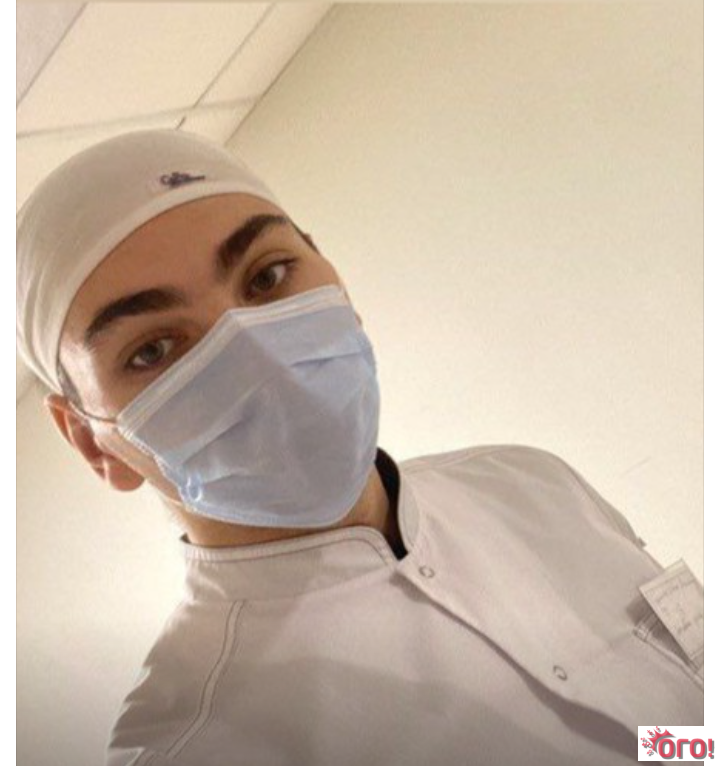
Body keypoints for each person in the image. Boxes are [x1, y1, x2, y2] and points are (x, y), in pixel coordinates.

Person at [17, 130, 703, 766]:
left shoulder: (530, 483)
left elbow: (671, 738)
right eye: (154, 349)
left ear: (336, 280)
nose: (259, 357)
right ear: (92, 442)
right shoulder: (198, 747)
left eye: (267, 277)